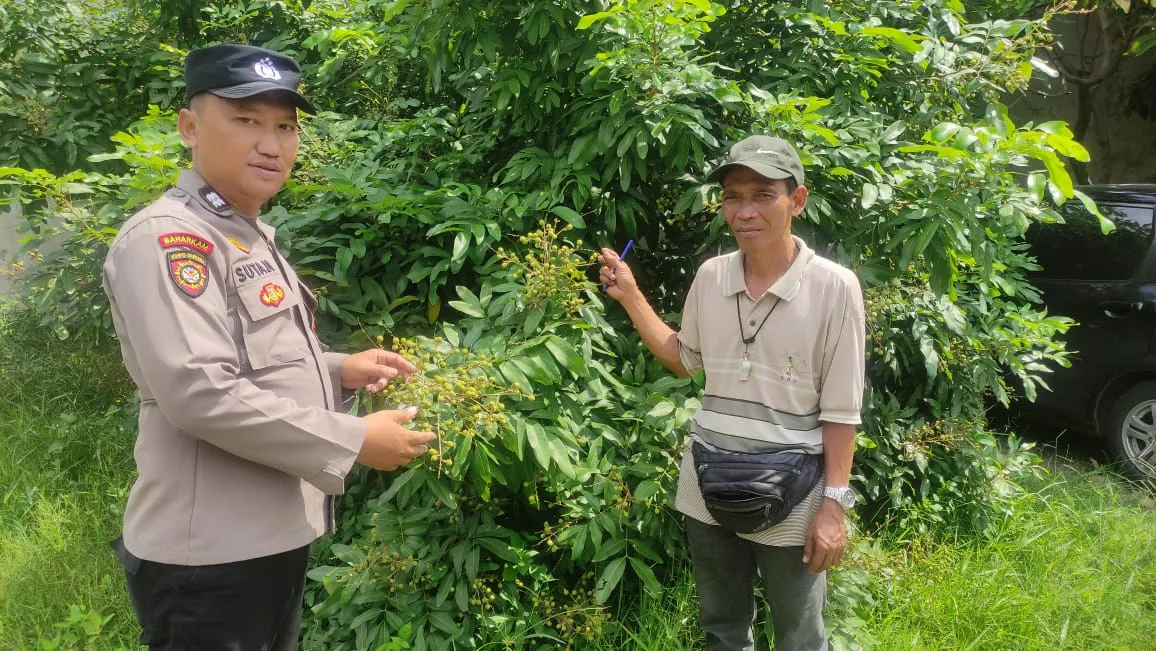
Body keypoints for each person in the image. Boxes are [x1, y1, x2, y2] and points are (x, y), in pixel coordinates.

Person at [101, 43, 435, 650]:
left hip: (267, 536)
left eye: (285, 126)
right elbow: (199, 392)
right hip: (210, 556)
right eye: (246, 120)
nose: (271, 144)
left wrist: (339, 369)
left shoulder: (243, 234)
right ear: (189, 127)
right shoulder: (171, 239)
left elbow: (255, 360)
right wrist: (354, 439)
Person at [599, 135, 865, 650]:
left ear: (797, 200)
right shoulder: (710, 276)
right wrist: (630, 296)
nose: (745, 211)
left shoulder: (835, 288)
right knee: (721, 630)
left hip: (794, 492)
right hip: (707, 483)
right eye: (732, 197)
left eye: (763, 195)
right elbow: (684, 360)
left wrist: (834, 507)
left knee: (800, 637)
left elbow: (841, 410)